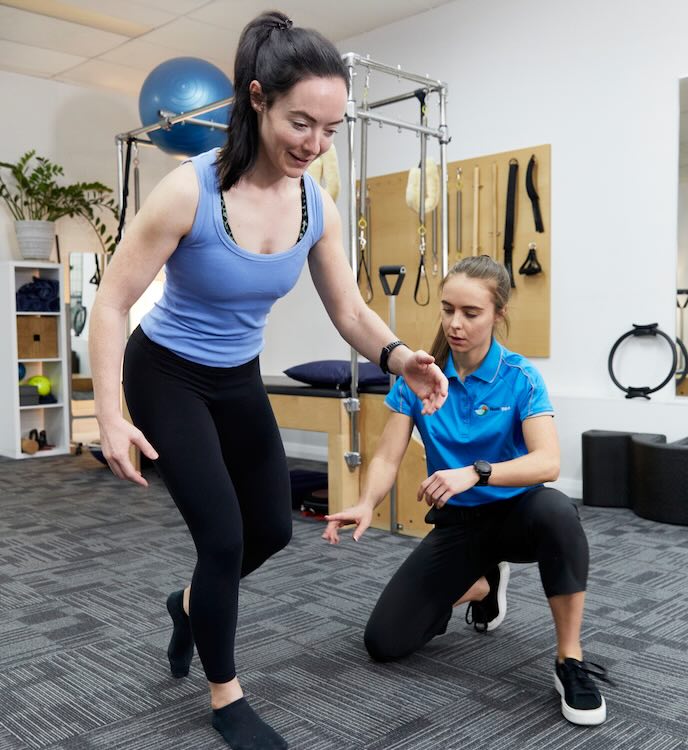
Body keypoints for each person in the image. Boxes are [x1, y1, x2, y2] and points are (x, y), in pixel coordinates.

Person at [89, 12, 448, 750]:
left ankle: (188, 605)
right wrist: (110, 414)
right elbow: (112, 303)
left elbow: (348, 310)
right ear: (257, 98)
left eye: (329, 128)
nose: (314, 144)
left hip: (236, 376)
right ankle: (227, 697)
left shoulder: (316, 203)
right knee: (222, 538)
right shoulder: (187, 193)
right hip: (165, 374)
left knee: (274, 529)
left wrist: (398, 356)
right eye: (300, 122)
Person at [323, 255, 611, 727]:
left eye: (471, 313)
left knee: (559, 514)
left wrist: (475, 473)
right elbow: (387, 456)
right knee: (385, 642)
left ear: (498, 314)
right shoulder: (418, 376)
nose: (455, 324)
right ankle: (482, 584)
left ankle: (569, 660)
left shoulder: (519, 377)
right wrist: (366, 501)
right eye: (447, 309)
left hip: (518, 516)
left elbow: (548, 463)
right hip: (458, 526)